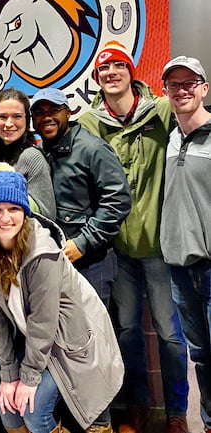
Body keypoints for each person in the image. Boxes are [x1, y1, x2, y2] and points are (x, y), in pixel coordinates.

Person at [79, 41, 189, 433]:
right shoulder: (87, 125)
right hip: (116, 249)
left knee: (169, 333)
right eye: (103, 68)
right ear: (97, 78)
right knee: (126, 331)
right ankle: (135, 405)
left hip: (160, 246)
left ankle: (177, 410)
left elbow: (197, 119)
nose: (111, 73)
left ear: (131, 71)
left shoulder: (161, 111)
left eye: (117, 66)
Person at [0, 169, 124, 433]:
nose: (5, 218)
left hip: (71, 339)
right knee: (8, 410)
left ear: (24, 212)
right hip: (37, 341)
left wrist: (28, 378)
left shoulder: (42, 252)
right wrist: (9, 376)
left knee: (34, 411)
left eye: (13, 209)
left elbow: (44, 320)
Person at [30, 87, 131, 433]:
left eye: (52, 110)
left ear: (67, 111)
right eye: (39, 112)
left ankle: (101, 425)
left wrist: (83, 243)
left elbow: (117, 202)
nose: (46, 117)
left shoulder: (92, 148)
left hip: (92, 265)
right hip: (56, 269)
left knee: (91, 349)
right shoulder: (42, 154)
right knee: (65, 349)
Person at [160, 56, 211, 433]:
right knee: (203, 357)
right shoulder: (172, 136)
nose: (182, 90)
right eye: (174, 85)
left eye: (190, 82)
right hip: (179, 267)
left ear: (204, 88)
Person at [0, 87, 56, 219]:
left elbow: (47, 213)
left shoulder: (31, 156)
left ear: (27, 120)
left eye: (17, 116)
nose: (9, 123)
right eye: (3, 117)